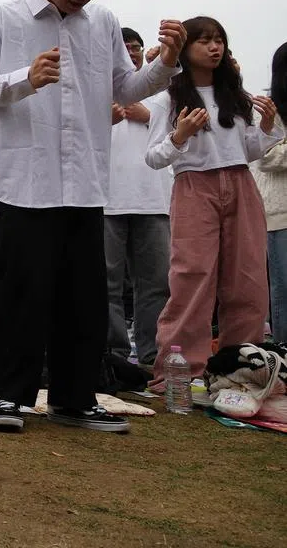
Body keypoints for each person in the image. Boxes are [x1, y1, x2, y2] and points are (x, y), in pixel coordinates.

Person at [0, 0, 187, 434]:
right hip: (26, 182)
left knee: (82, 299)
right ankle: (10, 397)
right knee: (23, 294)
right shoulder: (2, 18)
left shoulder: (102, 22)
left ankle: (74, 399)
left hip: (86, 182)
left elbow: (126, 88)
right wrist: (24, 78)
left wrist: (168, 64)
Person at [145, 17, 282, 392]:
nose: (214, 47)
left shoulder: (236, 95)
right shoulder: (168, 98)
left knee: (248, 279)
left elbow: (250, 149)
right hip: (193, 186)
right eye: (204, 40)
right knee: (191, 278)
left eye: (219, 40)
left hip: (240, 182)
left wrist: (268, 127)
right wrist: (180, 135)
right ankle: (179, 373)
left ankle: (241, 369)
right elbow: (154, 157)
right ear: (186, 49)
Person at [103, 28, 173, 367]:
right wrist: (106, 119)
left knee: (156, 283)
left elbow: (189, 125)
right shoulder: (98, 87)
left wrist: (150, 116)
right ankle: (114, 354)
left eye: (136, 47)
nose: (131, 52)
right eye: (124, 47)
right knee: (106, 284)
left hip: (154, 199)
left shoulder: (161, 89)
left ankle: (151, 354)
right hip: (106, 200)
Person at [255, 42, 287, 343]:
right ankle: (283, 351)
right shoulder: (268, 109)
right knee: (284, 289)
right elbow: (266, 157)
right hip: (281, 215)